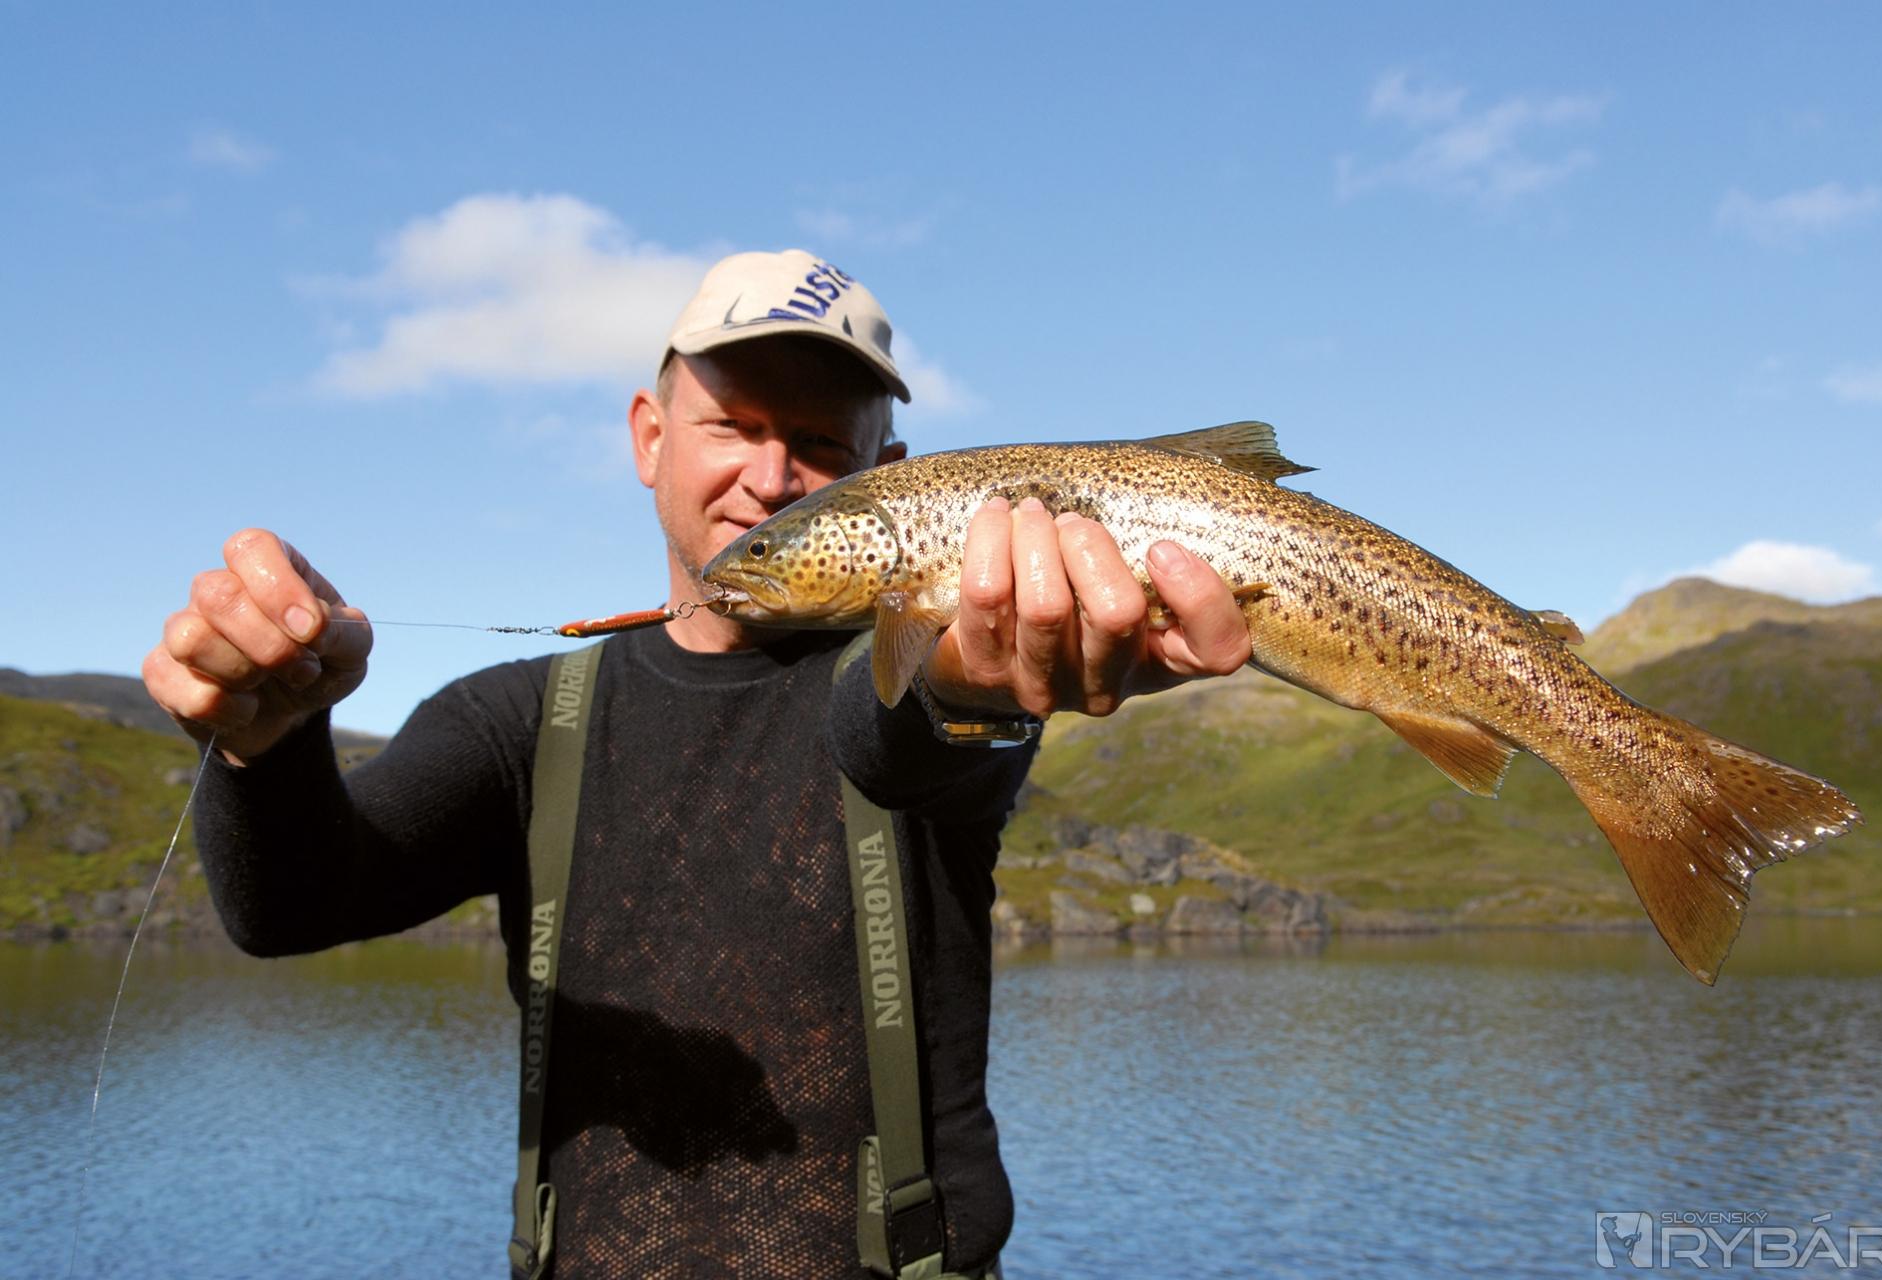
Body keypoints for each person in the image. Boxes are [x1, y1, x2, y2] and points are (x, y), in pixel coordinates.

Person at [143, 250, 1253, 1278]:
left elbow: (898, 737)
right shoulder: (515, 720)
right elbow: (290, 907)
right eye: (733, 424)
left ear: (888, 477)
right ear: (649, 436)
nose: (771, 476)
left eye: (820, 443)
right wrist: (264, 738)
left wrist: (975, 684)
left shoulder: (936, 670)